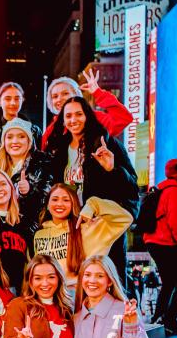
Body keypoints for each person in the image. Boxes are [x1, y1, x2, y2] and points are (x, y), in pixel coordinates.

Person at [44, 97, 139, 278]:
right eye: (69, 116)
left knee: (109, 278)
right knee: (75, 280)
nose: (74, 120)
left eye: (79, 114)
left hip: (100, 225)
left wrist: (112, 169)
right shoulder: (59, 149)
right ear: (62, 120)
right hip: (71, 227)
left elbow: (131, 186)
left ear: (88, 115)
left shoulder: (104, 143)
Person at [33, 184, 132, 290]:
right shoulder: (39, 234)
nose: (60, 204)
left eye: (66, 200)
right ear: (47, 205)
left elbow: (125, 218)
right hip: (49, 298)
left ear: (73, 204)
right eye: (55, 199)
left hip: (80, 297)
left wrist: (93, 205)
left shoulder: (87, 228)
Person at [144, 159, 177, 336]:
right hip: (165, 242)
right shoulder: (174, 190)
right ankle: (171, 320)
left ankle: (159, 317)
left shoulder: (161, 188)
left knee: (169, 281)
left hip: (153, 241)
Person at [43, 69, 133, 150]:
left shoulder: (94, 118)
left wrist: (98, 93)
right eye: (55, 96)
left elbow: (123, 118)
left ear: (76, 94)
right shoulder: (51, 130)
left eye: (65, 93)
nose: (59, 99)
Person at [0, 118, 53, 220]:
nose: (15, 141)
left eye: (21, 136)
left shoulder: (43, 163)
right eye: (9, 137)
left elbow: (48, 200)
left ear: (29, 141)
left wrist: (29, 191)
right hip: (1, 226)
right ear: (4, 142)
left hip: (30, 230)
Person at [0, 82, 43, 154]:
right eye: (8, 99)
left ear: (22, 100)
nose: (13, 103)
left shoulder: (34, 131)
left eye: (17, 99)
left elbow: (38, 158)